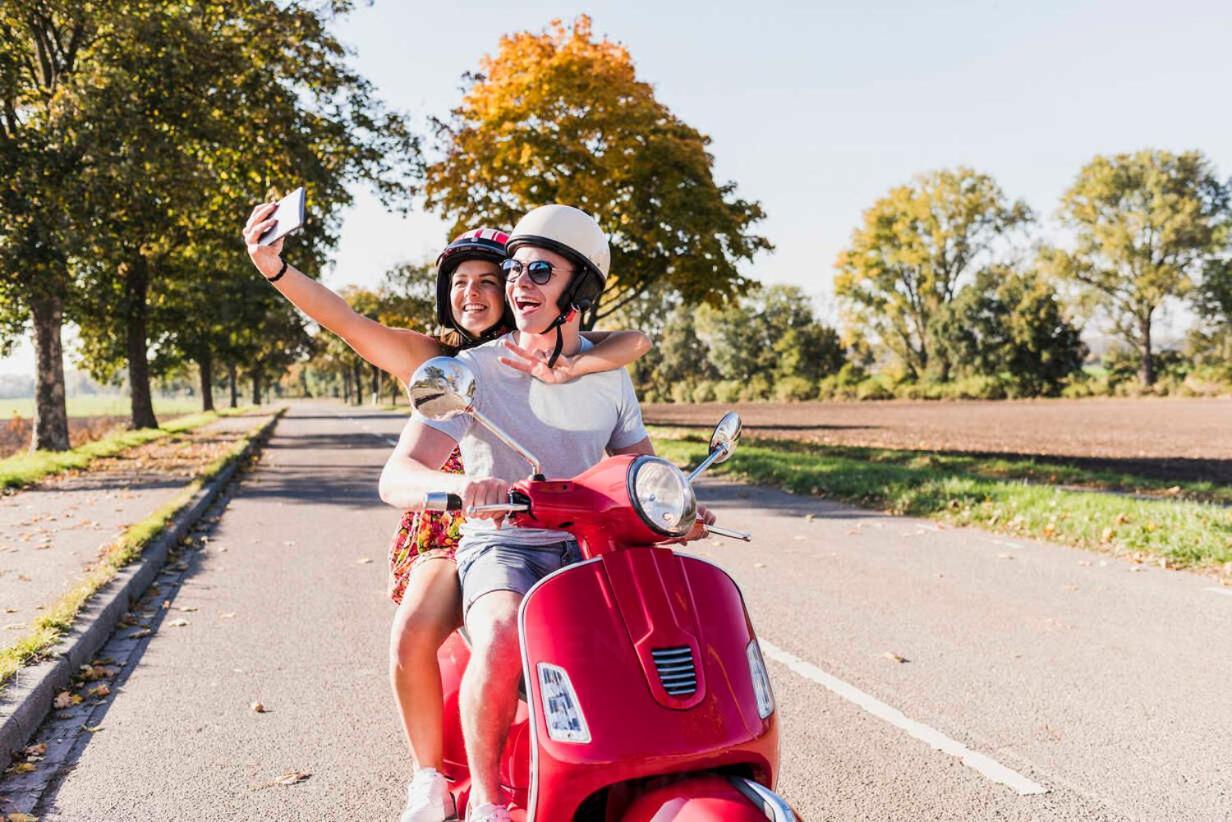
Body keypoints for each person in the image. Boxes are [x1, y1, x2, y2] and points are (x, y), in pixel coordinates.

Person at [242, 203, 651, 822]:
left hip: (575, 526)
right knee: (437, 629)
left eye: (498, 276)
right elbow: (350, 325)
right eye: (470, 281)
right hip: (467, 518)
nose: (492, 290)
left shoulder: (592, 363)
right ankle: (437, 781)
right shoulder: (449, 365)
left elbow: (634, 352)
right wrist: (276, 270)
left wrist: (583, 364)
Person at [378, 204, 713, 822]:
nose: (517, 284)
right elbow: (396, 476)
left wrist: (676, 505)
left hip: (592, 545)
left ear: (578, 288)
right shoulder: (470, 371)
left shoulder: (609, 376)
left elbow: (638, 465)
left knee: (674, 635)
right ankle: (488, 800)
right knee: (504, 632)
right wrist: (463, 489)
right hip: (503, 543)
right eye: (514, 270)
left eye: (538, 270)